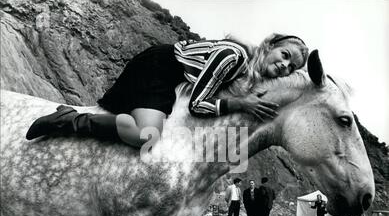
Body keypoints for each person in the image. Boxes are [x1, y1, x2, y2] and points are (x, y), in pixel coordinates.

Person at [26, 33, 309, 148]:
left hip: (169, 77)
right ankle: (69, 119)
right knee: (145, 136)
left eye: (291, 67)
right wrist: (241, 105)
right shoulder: (232, 56)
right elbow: (199, 104)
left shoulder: (243, 73)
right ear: (271, 45)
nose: (284, 65)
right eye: (284, 55)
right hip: (158, 67)